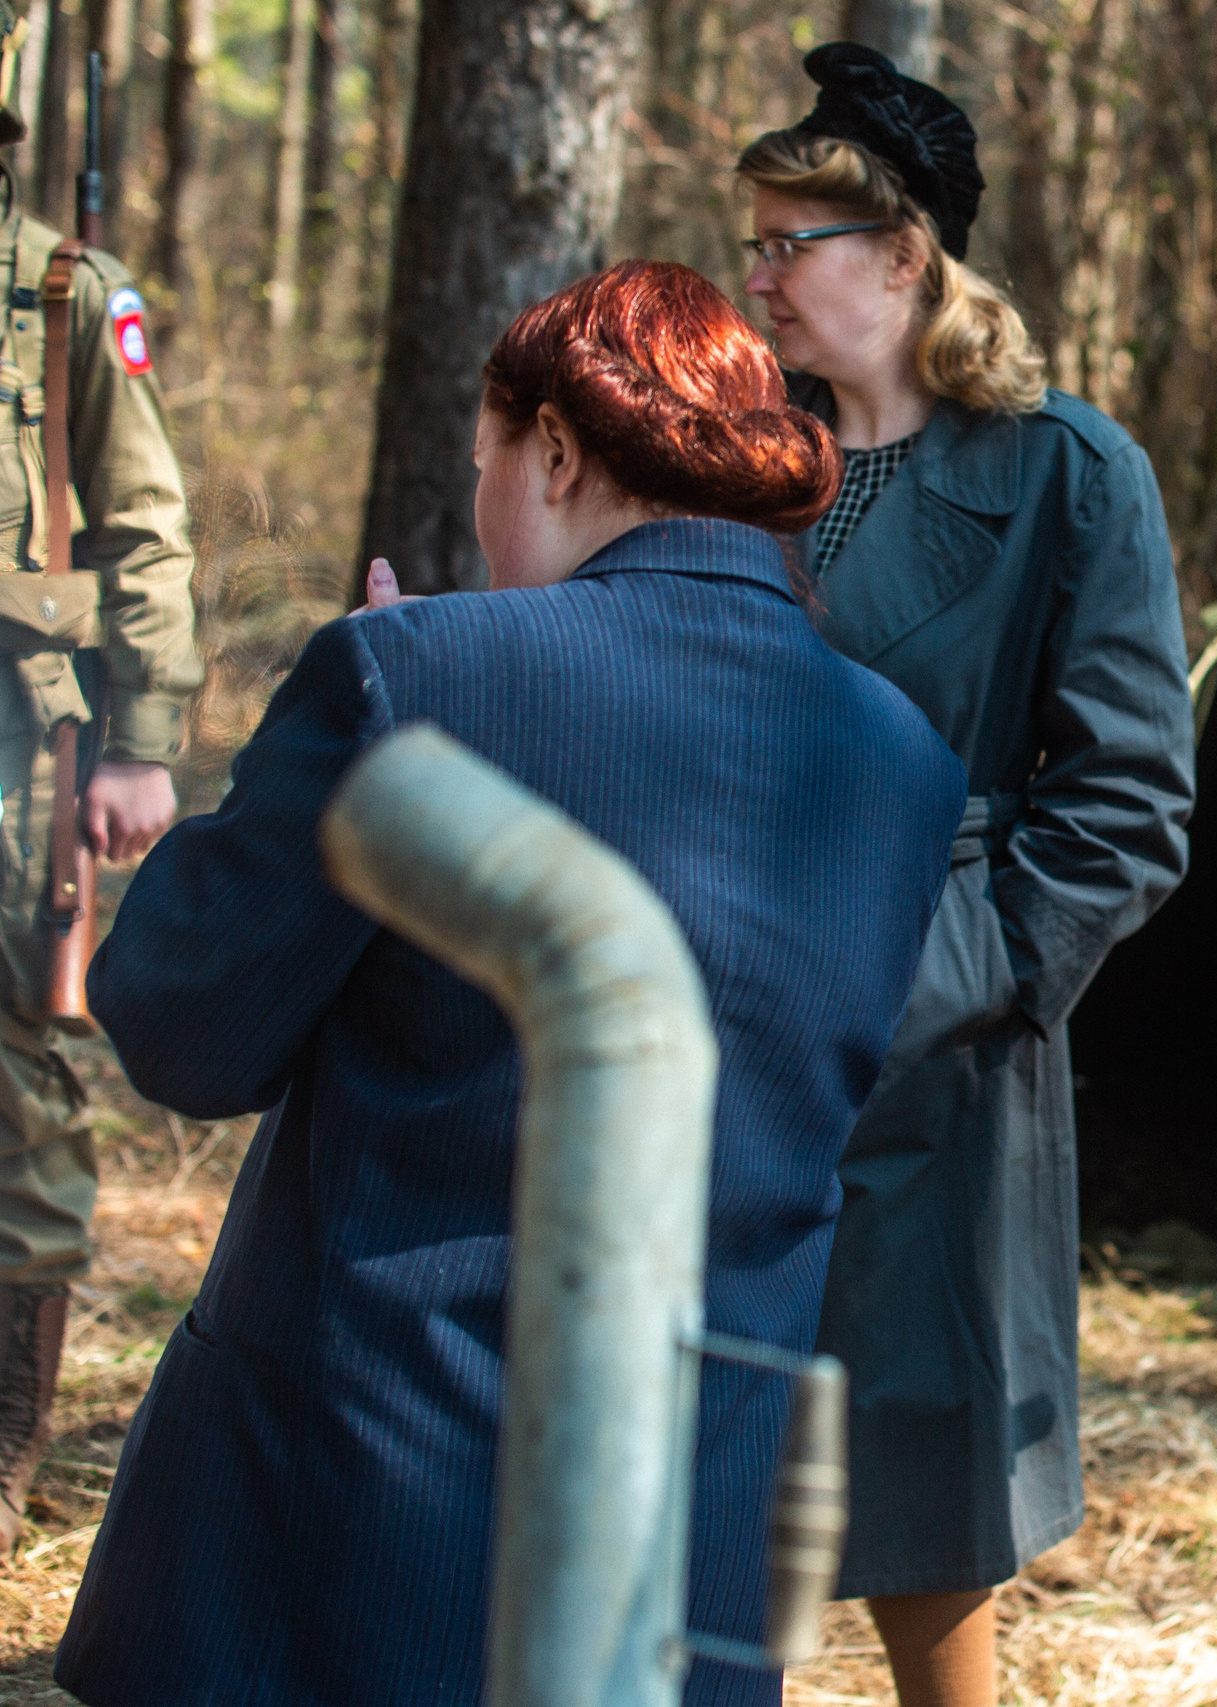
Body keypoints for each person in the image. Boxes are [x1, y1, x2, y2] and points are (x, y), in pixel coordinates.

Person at [50, 262, 966, 1707]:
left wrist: (370, 701)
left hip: (357, 1529)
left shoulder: (415, 678)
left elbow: (178, 1022)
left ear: (551, 448)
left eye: (485, 457)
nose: (483, 500)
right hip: (697, 1545)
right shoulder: (908, 759)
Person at [734, 45, 1193, 1707]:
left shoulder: (1068, 471)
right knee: (721, 1457)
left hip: (941, 1037)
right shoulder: (731, 452)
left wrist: (927, 976)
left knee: (922, 1482)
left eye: (797, 242)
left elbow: (1130, 805)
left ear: (908, 256)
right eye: (758, 241)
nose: (761, 274)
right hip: (711, 1014)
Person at [0, 3, 202, 1545]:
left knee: (21, 1089)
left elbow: (141, 524)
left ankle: (1, 1455)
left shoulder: (61, 293)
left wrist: (141, 740)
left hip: (11, 742)